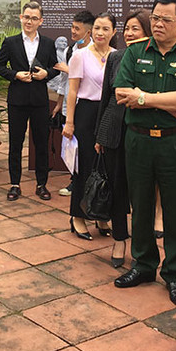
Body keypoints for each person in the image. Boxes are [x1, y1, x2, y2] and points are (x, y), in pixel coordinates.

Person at [112, 0, 176, 308]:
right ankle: (143, 265)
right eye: (155, 18)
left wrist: (143, 98)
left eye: (166, 19)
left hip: (175, 143)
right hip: (138, 140)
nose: (158, 24)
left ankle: (175, 274)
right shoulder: (135, 51)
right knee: (140, 205)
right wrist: (167, 102)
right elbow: (121, 92)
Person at [94, 10, 151, 266]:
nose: (129, 33)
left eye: (135, 28)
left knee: (141, 193)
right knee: (116, 189)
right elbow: (105, 98)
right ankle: (119, 239)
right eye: (127, 28)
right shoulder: (115, 57)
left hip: (143, 133)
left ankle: (142, 247)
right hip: (114, 131)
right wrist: (100, 134)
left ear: (148, 31)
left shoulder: (155, 60)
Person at [0, 1, 60, 201]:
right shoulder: (10, 42)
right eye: (26, 17)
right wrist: (15, 75)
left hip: (40, 100)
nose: (29, 21)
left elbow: (55, 67)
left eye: (34, 18)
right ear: (21, 18)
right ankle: (15, 184)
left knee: (41, 143)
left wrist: (46, 74)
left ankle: (42, 184)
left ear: (41, 21)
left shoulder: (48, 43)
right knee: (15, 143)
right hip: (17, 100)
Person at [62, 13, 117, 239]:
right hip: (86, 114)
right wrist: (69, 122)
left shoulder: (117, 56)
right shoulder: (80, 56)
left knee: (107, 167)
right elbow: (72, 91)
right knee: (84, 167)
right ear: (91, 31)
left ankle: (102, 216)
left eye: (105, 29)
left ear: (114, 32)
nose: (100, 33)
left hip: (109, 114)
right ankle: (78, 216)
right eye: (97, 28)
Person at [53, 10, 95, 196]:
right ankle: (75, 181)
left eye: (77, 29)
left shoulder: (95, 51)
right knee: (72, 146)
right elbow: (64, 82)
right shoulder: (70, 50)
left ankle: (89, 183)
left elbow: (92, 79)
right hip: (69, 106)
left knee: (86, 147)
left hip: (86, 107)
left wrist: (69, 69)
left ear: (88, 32)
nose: (73, 31)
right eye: (72, 27)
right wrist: (59, 103)